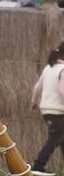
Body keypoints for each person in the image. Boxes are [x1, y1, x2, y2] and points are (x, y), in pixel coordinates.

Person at [30, 41, 64, 176]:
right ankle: (38, 165)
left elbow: (37, 87)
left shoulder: (48, 68)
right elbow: (63, 91)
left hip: (46, 109)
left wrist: (34, 102)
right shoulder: (62, 69)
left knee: (61, 138)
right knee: (54, 138)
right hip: (58, 110)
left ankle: (38, 165)